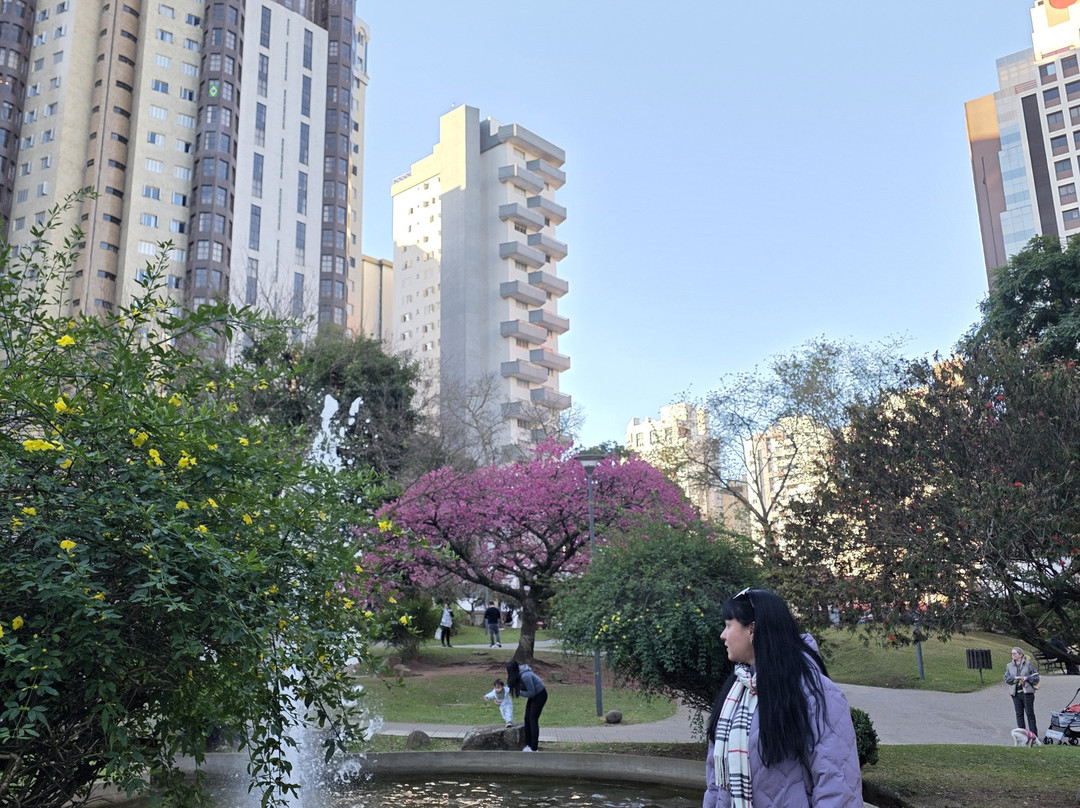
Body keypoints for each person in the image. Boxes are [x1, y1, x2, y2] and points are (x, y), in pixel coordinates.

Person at [703, 588, 862, 808]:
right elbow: (716, 783)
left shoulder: (814, 693)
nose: (723, 634)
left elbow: (837, 783)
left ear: (752, 630)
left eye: (729, 625)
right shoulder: (735, 691)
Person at [506, 660, 547, 752]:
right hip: (534, 696)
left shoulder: (525, 676)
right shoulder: (517, 675)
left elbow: (531, 693)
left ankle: (534, 748)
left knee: (533, 719)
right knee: (527, 718)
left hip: (540, 695)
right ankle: (528, 744)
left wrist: (518, 692)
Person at [1004, 647, 1040, 736]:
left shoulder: (1028, 664)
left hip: (1027, 692)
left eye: (1015, 653)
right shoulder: (1009, 666)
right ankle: (1022, 735)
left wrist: (1026, 678)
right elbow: (1006, 678)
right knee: (1019, 714)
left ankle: (1033, 735)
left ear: (1020, 655)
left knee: (1029, 714)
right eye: (1012, 653)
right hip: (1015, 693)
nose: (1013, 655)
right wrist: (1015, 678)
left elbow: (1036, 678)